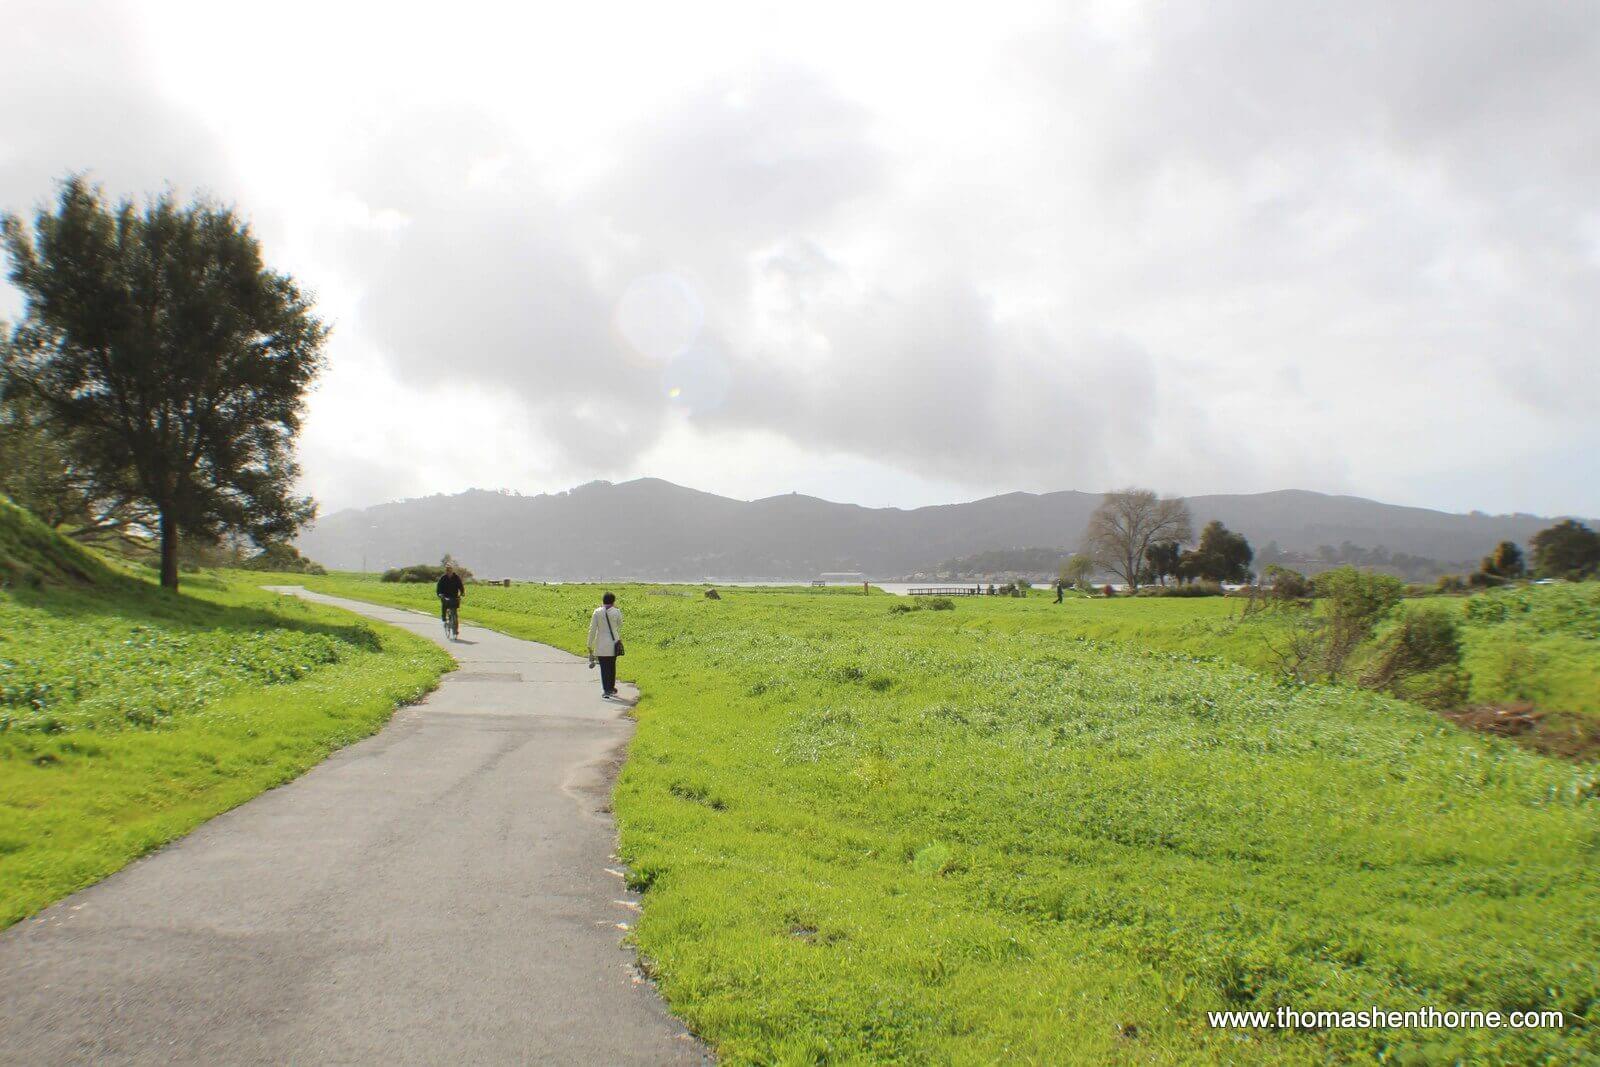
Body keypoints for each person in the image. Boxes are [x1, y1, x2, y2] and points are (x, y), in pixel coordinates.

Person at [587, 592, 623, 698]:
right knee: (612, 666)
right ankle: (611, 687)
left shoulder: (597, 612)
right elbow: (620, 624)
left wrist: (589, 644)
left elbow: (592, 629)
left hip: (601, 642)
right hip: (613, 642)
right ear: (613, 601)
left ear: (603, 601)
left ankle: (606, 689)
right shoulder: (617, 612)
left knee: (604, 667)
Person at [435, 564, 464, 633]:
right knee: (444, 604)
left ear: (452, 570)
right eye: (447, 570)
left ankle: (455, 629)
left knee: (455, 613)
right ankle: (444, 617)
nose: (449, 571)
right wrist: (440, 594)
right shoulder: (443, 578)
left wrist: (462, 593)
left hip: (454, 597)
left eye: (450, 570)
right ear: (446, 571)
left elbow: (461, 586)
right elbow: (439, 588)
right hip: (445, 596)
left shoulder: (456, 578)